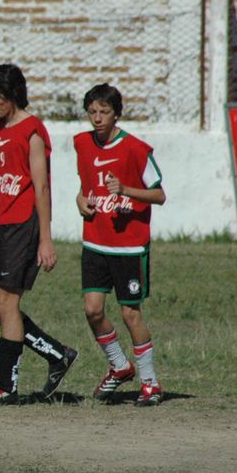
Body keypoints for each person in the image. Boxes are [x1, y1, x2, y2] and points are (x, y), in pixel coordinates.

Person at [0, 63, 77, 405]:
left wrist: (46, 238)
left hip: (25, 225)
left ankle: (5, 388)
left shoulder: (33, 131)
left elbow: (42, 187)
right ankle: (57, 354)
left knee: (8, 303)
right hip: (1, 226)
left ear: (11, 95)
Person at [73, 83, 166, 406]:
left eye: (104, 112)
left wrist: (125, 190)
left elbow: (159, 195)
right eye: (92, 112)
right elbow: (85, 187)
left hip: (129, 248)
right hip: (95, 243)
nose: (97, 118)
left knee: (130, 314)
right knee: (92, 310)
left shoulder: (136, 149)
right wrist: (80, 201)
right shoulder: (82, 144)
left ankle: (150, 383)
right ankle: (119, 365)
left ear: (117, 114)